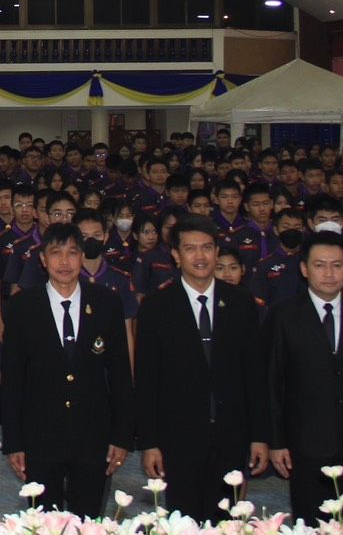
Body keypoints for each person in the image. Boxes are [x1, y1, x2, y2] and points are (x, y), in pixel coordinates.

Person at [134, 216, 268, 521]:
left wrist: (260, 435)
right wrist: (149, 443)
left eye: (207, 248)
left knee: (227, 521)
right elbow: (147, 380)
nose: (200, 256)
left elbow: (255, 375)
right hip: (178, 438)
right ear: (176, 255)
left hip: (231, 436)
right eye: (190, 248)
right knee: (184, 520)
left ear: (217, 252)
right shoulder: (156, 306)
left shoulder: (241, 302)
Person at [0, 222, 133, 517]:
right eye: (56, 253)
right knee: (43, 522)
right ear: (42, 259)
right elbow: (12, 379)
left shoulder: (106, 303)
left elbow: (120, 373)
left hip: (93, 436)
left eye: (72, 253)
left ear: (82, 257)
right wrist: (13, 442)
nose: (64, 262)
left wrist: (121, 435)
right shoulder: (22, 306)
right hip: (39, 437)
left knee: (89, 521)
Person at [263, 231, 343, 521]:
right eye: (320, 265)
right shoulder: (283, 315)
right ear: (304, 269)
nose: (329, 274)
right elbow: (272, 384)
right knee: (310, 522)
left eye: (336, 265)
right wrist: (276, 442)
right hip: (304, 443)